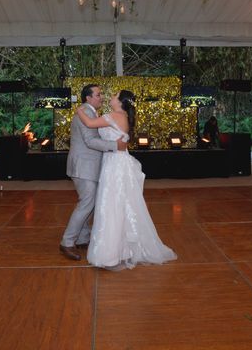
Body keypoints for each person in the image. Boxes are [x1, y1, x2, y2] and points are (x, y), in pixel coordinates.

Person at [76, 90, 177, 270]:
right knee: (120, 205)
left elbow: (90, 123)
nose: (110, 98)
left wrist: (78, 110)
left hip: (114, 164)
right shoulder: (122, 116)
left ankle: (110, 253)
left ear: (120, 101)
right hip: (118, 161)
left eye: (114, 96)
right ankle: (122, 250)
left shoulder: (113, 115)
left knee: (111, 205)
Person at [59, 84, 128, 261]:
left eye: (102, 94)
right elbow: (90, 141)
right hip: (84, 165)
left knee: (90, 203)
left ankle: (82, 238)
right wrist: (115, 146)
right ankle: (67, 242)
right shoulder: (86, 112)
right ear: (88, 98)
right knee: (87, 203)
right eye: (98, 95)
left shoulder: (90, 111)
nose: (102, 97)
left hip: (91, 165)